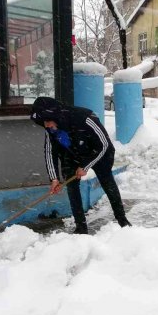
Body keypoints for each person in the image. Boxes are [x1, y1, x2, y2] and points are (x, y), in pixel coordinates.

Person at [31, 97, 131, 234]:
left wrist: (85, 166)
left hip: (98, 152)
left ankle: (122, 221)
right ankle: (81, 228)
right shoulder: (49, 128)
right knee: (72, 187)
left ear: (55, 115)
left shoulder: (84, 117)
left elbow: (103, 144)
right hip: (72, 154)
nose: (46, 125)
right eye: (44, 122)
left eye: (48, 121)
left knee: (107, 181)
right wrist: (54, 178)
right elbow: (49, 152)